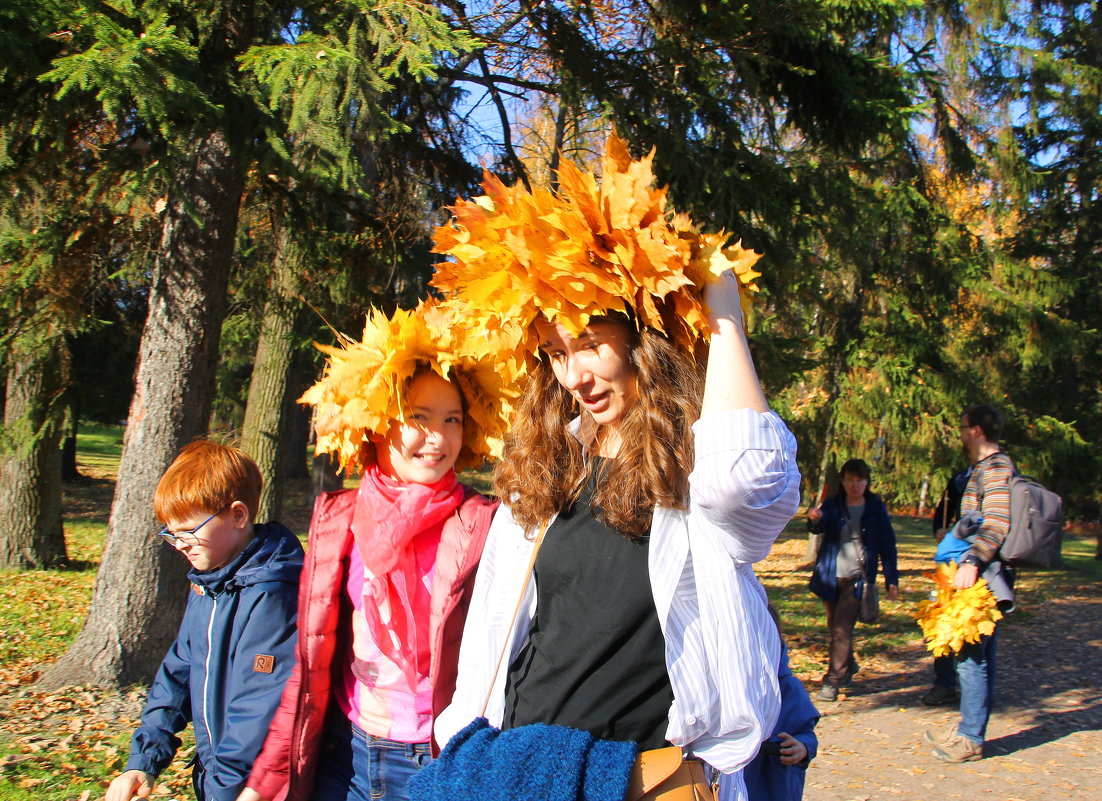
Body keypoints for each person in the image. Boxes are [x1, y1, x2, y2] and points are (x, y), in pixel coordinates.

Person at [433, 268, 801, 800]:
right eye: (556, 353)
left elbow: (747, 482)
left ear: (641, 339)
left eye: (588, 344)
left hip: (646, 777)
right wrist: (463, 739)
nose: (574, 376)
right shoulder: (550, 466)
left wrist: (722, 310)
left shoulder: (697, 468)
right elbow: (494, 625)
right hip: (526, 768)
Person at [239, 304, 506, 801]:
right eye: (418, 418)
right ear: (379, 424)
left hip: (433, 762)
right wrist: (266, 781)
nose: (438, 437)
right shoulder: (338, 517)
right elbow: (310, 662)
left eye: (452, 419)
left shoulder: (483, 523)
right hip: (344, 756)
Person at [105, 441, 304, 801]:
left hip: (255, 788)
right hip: (219, 778)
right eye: (171, 533)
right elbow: (178, 672)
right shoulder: (209, 584)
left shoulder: (272, 595)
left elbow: (258, 710)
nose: (180, 544)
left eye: (189, 531)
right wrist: (144, 759)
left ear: (238, 516)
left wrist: (224, 790)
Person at [924, 404, 1015, 763]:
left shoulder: (994, 467)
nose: (960, 433)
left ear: (977, 430)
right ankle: (969, 727)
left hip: (981, 573)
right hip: (978, 568)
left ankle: (970, 739)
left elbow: (997, 523)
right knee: (978, 654)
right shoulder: (983, 468)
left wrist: (973, 561)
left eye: (963, 427)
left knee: (971, 657)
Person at [807, 458, 899, 702]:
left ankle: (833, 681)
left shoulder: (875, 508)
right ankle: (849, 663)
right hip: (830, 575)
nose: (855, 485)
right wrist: (815, 519)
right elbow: (819, 527)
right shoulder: (833, 504)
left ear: (867, 482)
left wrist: (892, 579)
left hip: (858, 578)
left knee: (841, 629)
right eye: (850, 480)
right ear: (843, 481)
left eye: (860, 480)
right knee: (834, 626)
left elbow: (888, 544)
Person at [922, 465, 972, 707]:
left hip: (979, 565)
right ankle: (944, 682)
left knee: (971, 624)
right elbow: (943, 511)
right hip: (950, 563)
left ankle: (971, 689)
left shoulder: (998, 476)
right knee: (941, 621)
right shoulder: (960, 479)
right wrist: (939, 530)